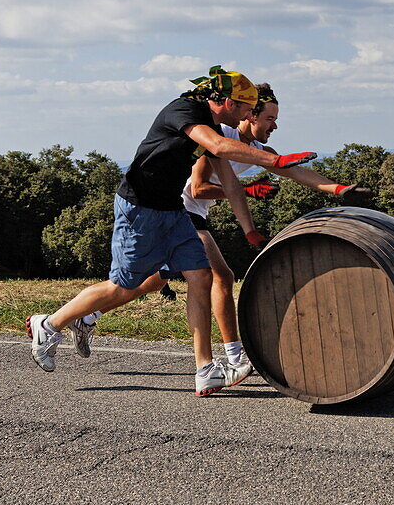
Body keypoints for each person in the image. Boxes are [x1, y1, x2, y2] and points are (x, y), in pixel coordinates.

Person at [26, 66, 317, 397]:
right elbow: (217, 149)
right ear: (226, 102)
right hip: (139, 208)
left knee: (202, 276)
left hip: (172, 211)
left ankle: (205, 369)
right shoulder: (184, 111)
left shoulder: (214, 122)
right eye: (247, 109)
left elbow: (231, 179)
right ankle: (48, 325)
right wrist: (275, 163)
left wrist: (253, 223)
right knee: (124, 286)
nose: (248, 116)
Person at [78, 83, 373, 370]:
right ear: (250, 114)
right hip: (179, 211)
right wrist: (250, 190)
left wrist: (338, 190)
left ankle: (87, 316)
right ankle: (235, 355)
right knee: (221, 276)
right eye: (269, 118)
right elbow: (199, 188)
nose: (274, 126)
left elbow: (291, 171)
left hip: (191, 215)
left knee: (150, 281)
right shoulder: (221, 134)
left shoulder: (254, 147)